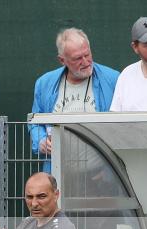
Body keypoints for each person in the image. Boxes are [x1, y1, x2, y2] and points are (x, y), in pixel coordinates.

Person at [30, 28, 119, 165]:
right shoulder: (44, 84)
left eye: (87, 54)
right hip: (57, 168)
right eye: (77, 58)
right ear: (62, 60)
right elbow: (35, 122)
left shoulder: (113, 79)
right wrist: (41, 140)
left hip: (102, 168)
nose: (85, 62)